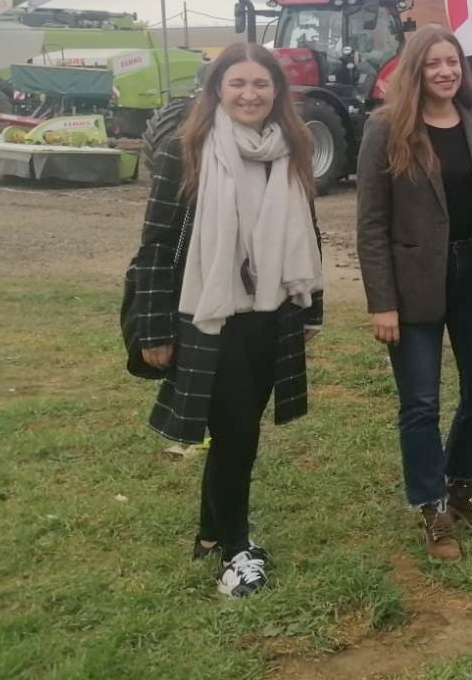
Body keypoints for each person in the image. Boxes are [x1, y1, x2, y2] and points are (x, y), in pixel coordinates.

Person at [131, 42, 324, 597]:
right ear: (218, 88)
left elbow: (306, 228)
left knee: (238, 432)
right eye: (237, 83)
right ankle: (236, 552)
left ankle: (210, 535)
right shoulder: (187, 149)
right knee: (236, 435)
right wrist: (154, 328)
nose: (249, 94)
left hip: (272, 313)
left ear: (276, 91)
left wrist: (312, 308)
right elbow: (157, 242)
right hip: (209, 315)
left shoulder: (293, 147)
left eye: (261, 83)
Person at [357, 26, 472, 562]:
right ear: (415, 71)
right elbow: (371, 223)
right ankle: (432, 505)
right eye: (433, 64)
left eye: (453, 62)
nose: (446, 72)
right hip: (414, 283)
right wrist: (382, 301)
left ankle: (463, 482)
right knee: (421, 402)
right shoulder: (386, 129)